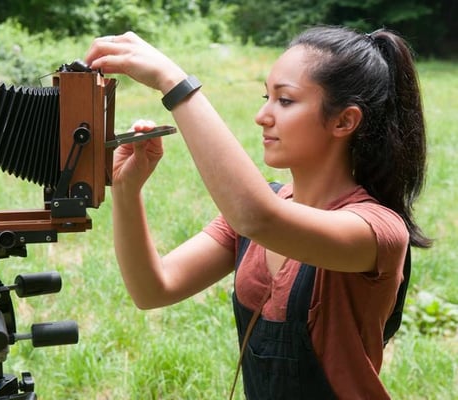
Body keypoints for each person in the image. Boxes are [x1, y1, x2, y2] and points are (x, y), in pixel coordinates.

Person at [85, 25, 431, 399]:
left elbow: (256, 217)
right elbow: (153, 288)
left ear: (344, 121)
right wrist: (126, 189)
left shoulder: (376, 231)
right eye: (267, 96)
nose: (262, 116)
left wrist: (173, 82)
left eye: (285, 100)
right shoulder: (269, 206)